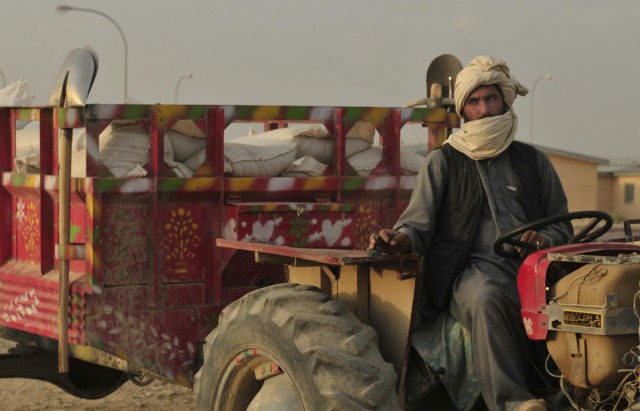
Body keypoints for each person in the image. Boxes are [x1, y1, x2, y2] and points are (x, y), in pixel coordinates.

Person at [370, 56, 573, 411]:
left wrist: (545, 240)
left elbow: (561, 224)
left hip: (533, 268)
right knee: (487, 297)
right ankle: (512, 402)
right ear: (464, 110)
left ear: (505, 102)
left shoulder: (533, 161)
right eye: (474, 102)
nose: (484, 109)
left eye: (490, 99)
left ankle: (576, 393)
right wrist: (400, 238)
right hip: (470, 272)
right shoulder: (444, 161)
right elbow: (417, 224)